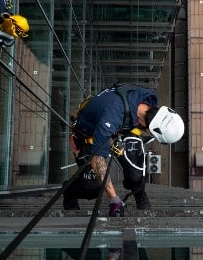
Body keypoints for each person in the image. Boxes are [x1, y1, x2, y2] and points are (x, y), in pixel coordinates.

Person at [64, 83, 185, 217]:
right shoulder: (111, 118)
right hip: (93, 132)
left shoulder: (149, 98)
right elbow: (97, 159)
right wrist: (114, 199)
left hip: (121, 125)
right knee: (92, 187)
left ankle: (139, 192)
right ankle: (69, 191)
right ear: (150, 130)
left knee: (136, 172)